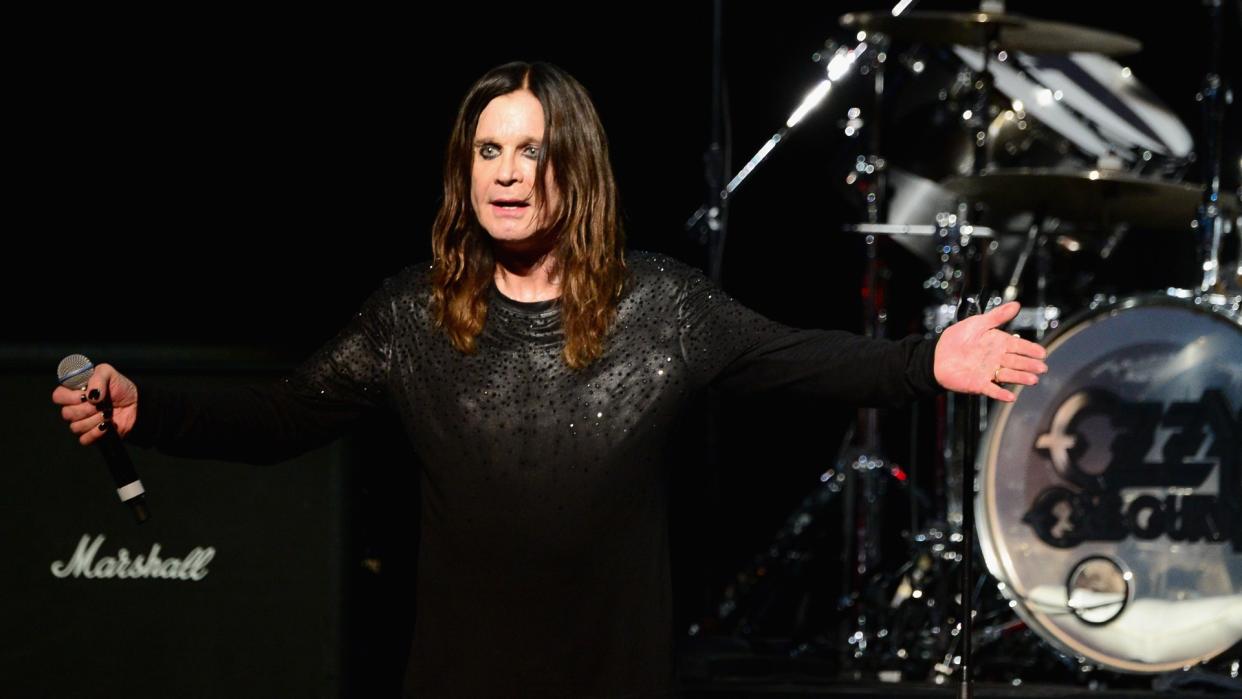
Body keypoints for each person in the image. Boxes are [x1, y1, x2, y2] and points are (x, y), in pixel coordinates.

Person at [52, 61, 1047, 697]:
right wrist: (156, 409)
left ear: (575, 167)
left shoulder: (661, 309)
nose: (506, 172)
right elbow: (283, 415)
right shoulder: (412, 314)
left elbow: (796, 360)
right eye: (488, 149)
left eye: (531, 150)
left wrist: (927, 361)